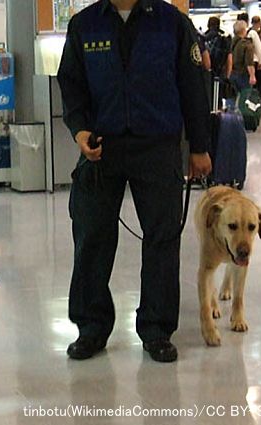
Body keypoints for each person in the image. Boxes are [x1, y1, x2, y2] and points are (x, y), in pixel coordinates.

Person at [57, 0, 212, 363]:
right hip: (101, 147)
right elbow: (72, 84)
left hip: (157, 146)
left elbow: (193, 85)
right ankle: (91, 328)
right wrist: (79, 130)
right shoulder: (85, 24)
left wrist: (200, 146)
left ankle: (157, 329)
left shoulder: (171, 22)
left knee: (161, 237)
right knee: (92, 237)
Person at [230, 20, 257, 104]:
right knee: (245, 98)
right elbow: (249, 62)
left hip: (232, 73)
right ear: (243, 30)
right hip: (243, 75)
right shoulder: (246, 44)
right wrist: (252, 75)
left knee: (232, 98)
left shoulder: (230, 43)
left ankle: (231, 115)